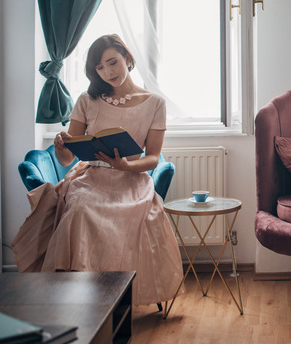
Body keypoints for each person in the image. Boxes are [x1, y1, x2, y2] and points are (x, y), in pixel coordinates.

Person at [12, 34, 182, 306]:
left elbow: (152, 158)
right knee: (80, 209)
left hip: (131, 178)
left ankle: (117, 297)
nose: (108, 72)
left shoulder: (154, 103)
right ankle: (81, 296)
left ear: (128, 58)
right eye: (99, 68)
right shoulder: (86, 100)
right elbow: (68, 158)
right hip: (90, 176)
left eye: (112, 62)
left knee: (131, 214)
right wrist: (60, 147)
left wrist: (126, 165)